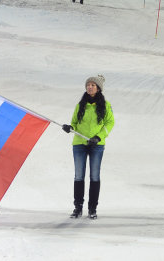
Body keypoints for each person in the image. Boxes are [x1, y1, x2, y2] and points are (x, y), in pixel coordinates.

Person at [61, 75, 115, 219]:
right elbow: (74, 123)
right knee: (79, 176)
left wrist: (99, 137)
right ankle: (78, 207)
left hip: (96, 145)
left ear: (98, 88)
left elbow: (110, 123)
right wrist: (70, 127)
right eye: (88, 85)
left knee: (94, 176)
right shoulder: (80, 105)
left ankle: (92, 208)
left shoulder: (106, 105)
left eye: (93, 85)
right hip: (80, 144)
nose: (89, 87)